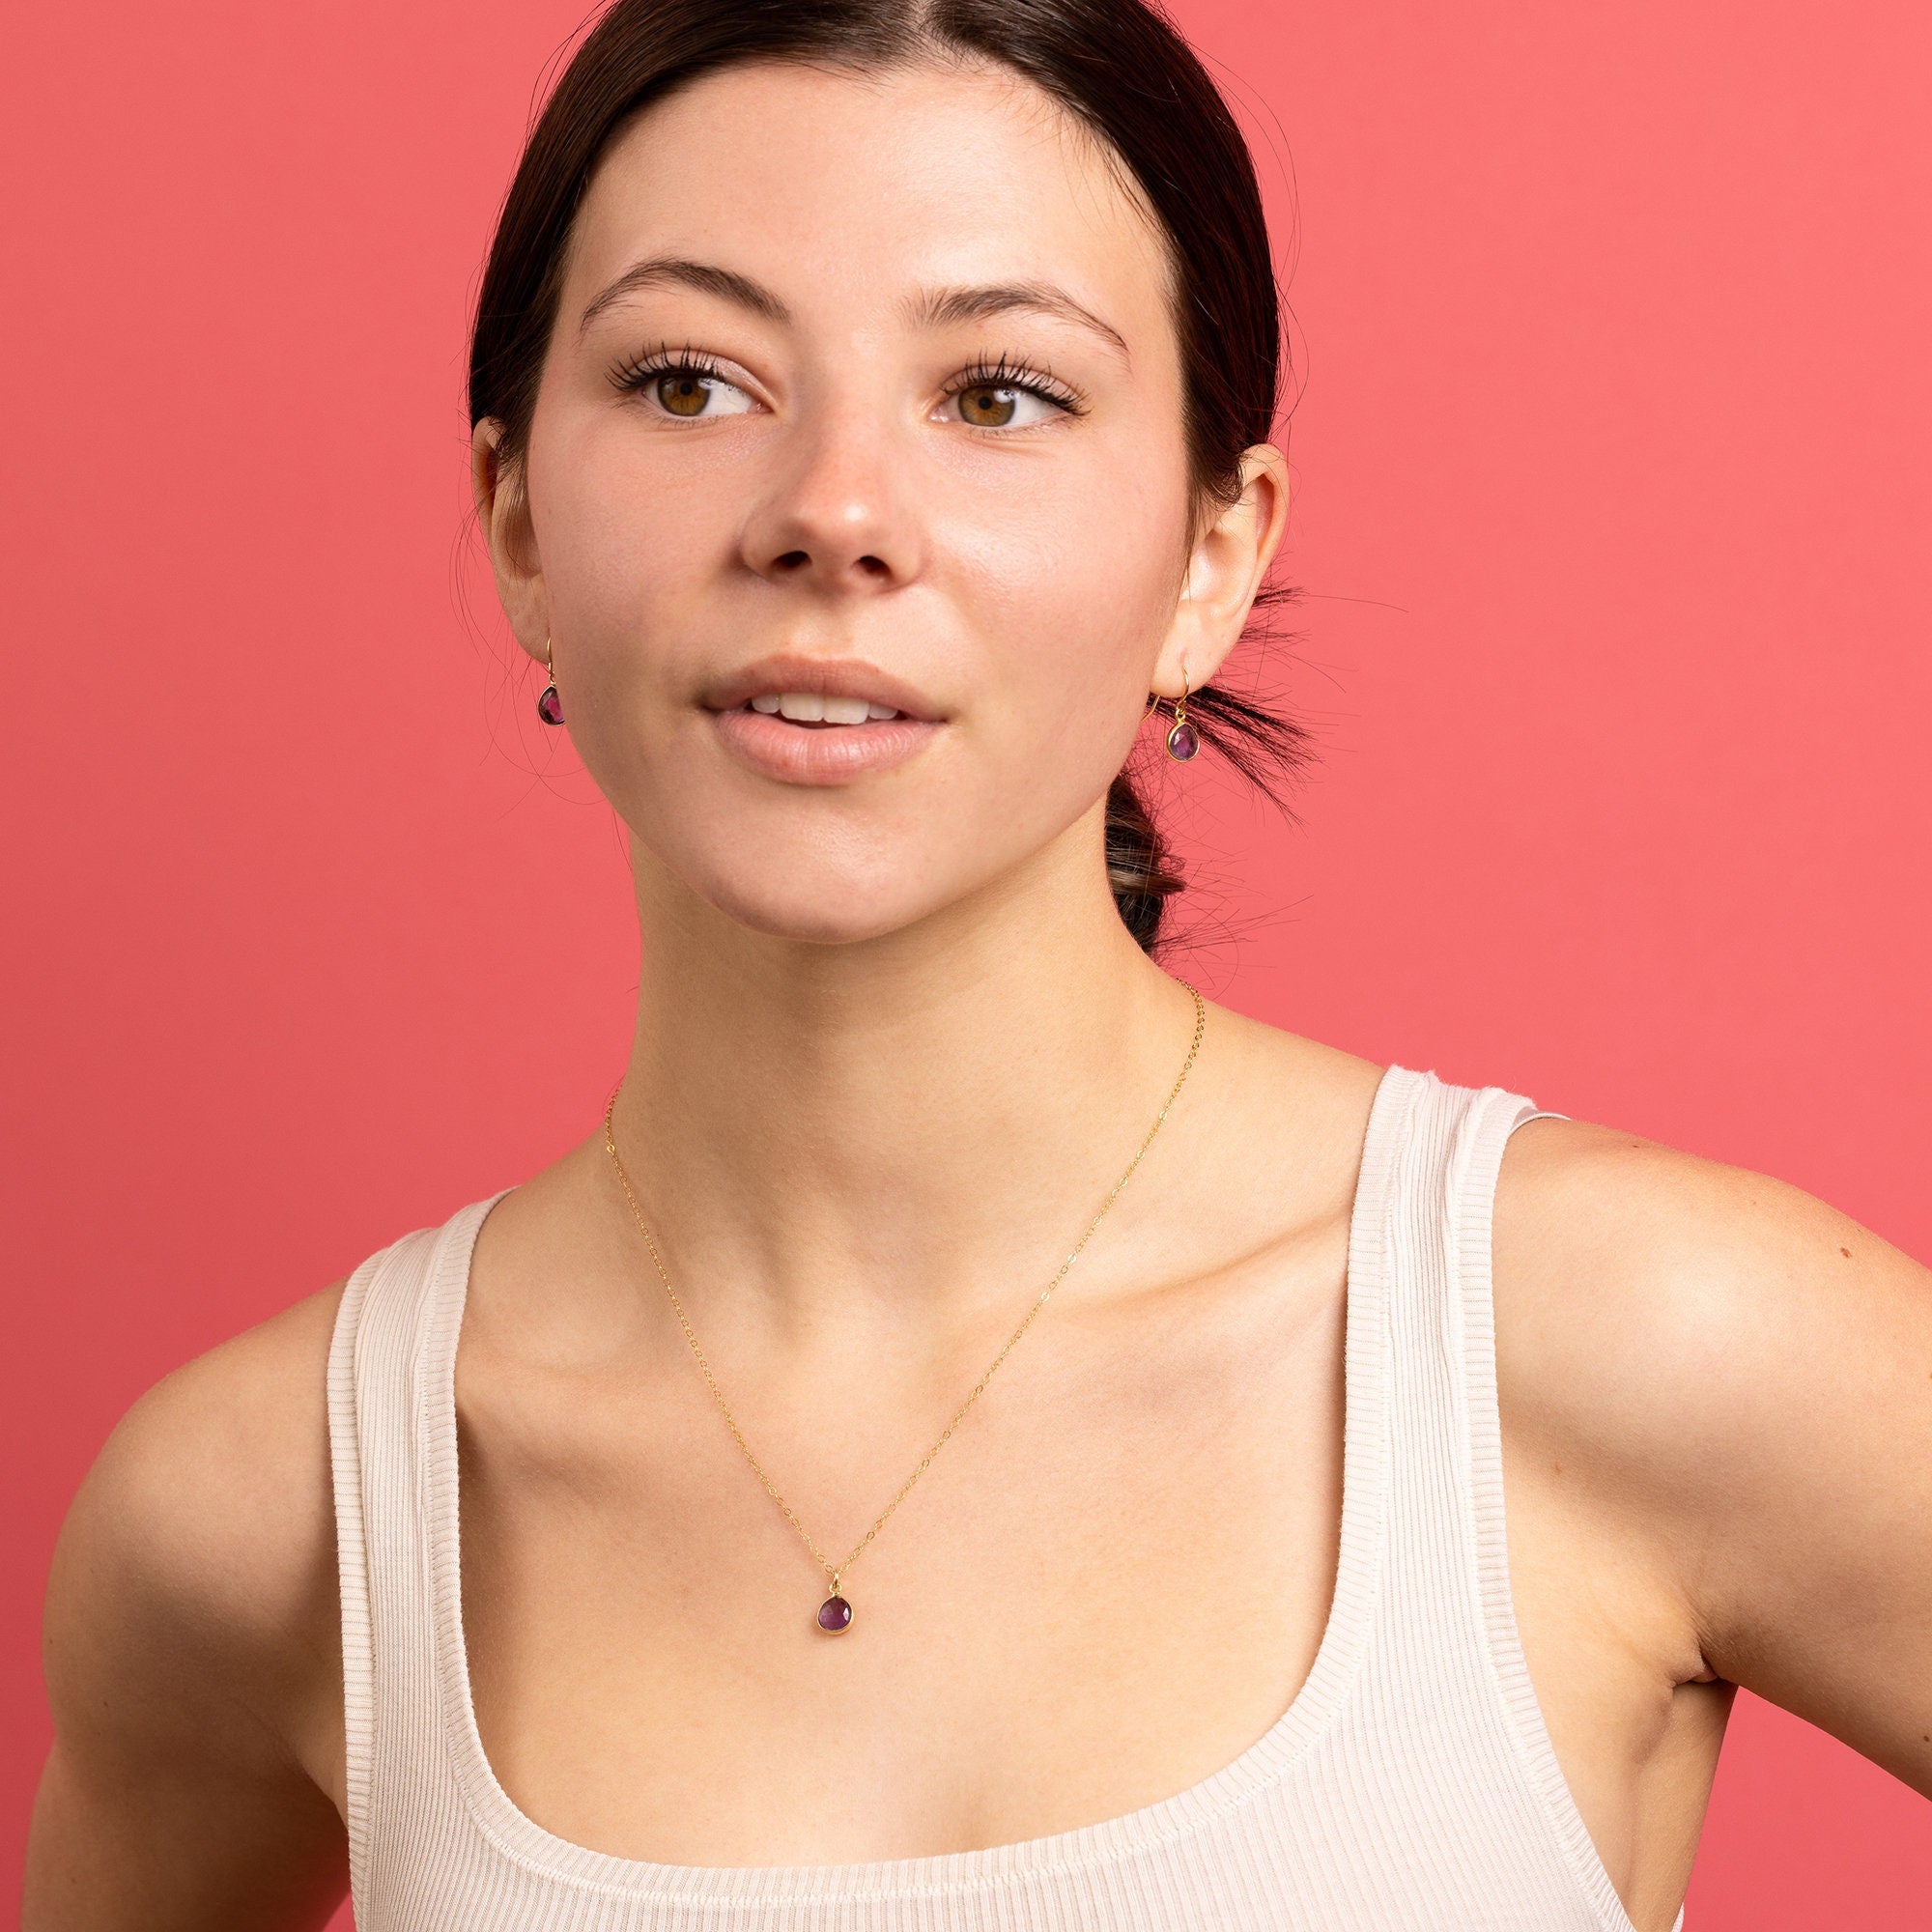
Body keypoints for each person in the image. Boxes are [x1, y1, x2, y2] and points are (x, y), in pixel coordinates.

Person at [22, 1, 1931, 1928]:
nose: (833, 515)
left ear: (1214, 554)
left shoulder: (1629, 1341)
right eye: (691, 380)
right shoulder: (268, 1514)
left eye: (1000, 393)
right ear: (518, 513)